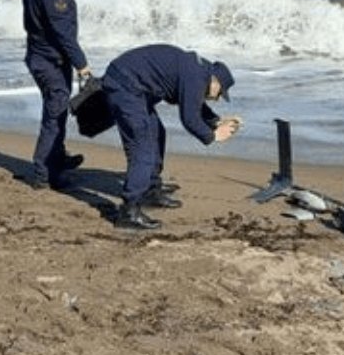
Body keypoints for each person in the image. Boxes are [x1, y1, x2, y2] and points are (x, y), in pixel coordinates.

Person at [102, 44, 242, 230]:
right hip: (124, 86)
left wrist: (216, 121)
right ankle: (129, 211)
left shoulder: (199, 71)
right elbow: (189, 118)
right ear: (215, 82)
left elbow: (192, 103)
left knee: (157, 134)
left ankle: (150, 190)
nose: (216, 99)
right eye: (219, 94)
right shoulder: (196, 76)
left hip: (134, 87)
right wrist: (213, 136)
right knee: (142, 147)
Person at [22, 0, 91, 190]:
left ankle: (57, 158)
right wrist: (82, 64)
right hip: (51, 61)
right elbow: (63, 32)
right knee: (55, 114)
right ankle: (44, 172)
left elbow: (32, 23)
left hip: (40, 56)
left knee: (57, 112)